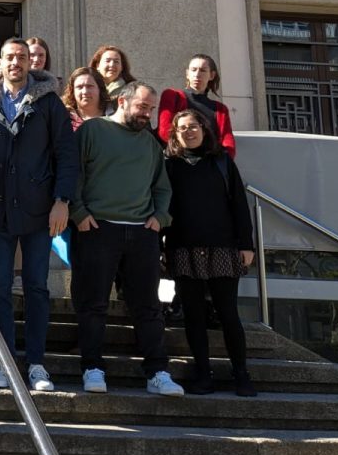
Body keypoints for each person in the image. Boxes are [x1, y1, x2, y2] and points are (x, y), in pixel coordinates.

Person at [0, 38, 77, 393]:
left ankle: (36, 363)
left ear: (31, 62)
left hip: (38, 211)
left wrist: (62, 200)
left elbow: (65, 154)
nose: (15, 62)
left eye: (22, 57)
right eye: (9, 57)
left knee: (36, 287)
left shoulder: (49, 103)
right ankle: (3, 360)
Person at [70, 81, 184, 397]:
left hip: (141, 233)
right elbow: (73, 173)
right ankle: (92, 367)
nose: (147, 114)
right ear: (123, 101)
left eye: (151, 108)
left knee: (148, 306)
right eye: (142, 107)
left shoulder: (150, 144)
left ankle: (158, 371)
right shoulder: (92, 131)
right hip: (97, 229)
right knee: (93, 303)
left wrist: (160, 218)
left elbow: (162, 187)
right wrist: (78, 213)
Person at [163, 110, 257, 396]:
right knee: (193, 316)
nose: (189, 132)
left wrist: (246, 244)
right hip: (183, 248)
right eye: (182, 128)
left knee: (228, 314)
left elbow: (239, 204)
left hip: (223, 248)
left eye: (194, 126)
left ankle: (241, 373)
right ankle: (203, 373)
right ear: (175, 134)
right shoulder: (169, 165)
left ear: (204, 130)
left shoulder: (221, 162)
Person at [157, 54, 237, 159]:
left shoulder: (220, 109)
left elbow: (227, 139)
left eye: (203, 70)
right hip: (178, 160)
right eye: (193, 70)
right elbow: (164, 131)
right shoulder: (172, 95)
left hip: (209, 163)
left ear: (212, 75)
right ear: (187, 74)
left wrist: (225, 160)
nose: (197, 74)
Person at [61, 66, 110, 131]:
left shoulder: (114, 116)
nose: (85, 92)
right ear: (72, 91)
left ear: (100, 89)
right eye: (79, 87)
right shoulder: (63, 118)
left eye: (89, 86)